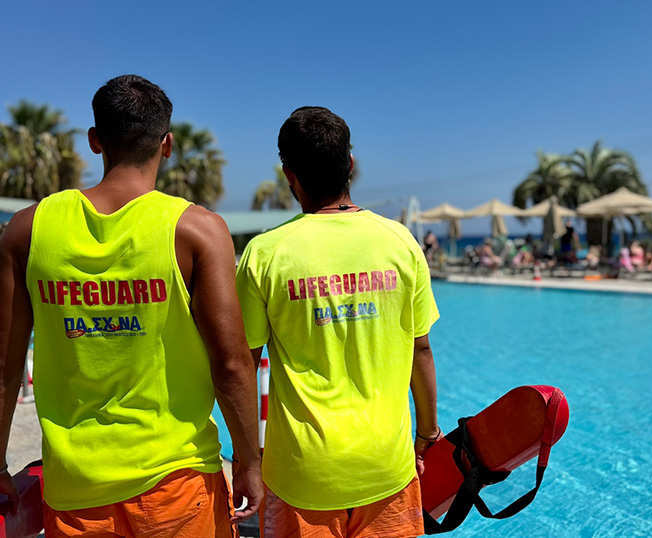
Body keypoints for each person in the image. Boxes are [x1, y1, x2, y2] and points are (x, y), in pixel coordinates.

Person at [0, 75, 263, 537]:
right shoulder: (196, 230)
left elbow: (5, 366)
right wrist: (249, 462)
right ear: (167, 144)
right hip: (177, 483)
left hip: (76, 490)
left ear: (95, 140)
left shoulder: (26, 230)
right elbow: (232, 364)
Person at [236, 107, 440, 538]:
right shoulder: (401, 242)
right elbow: (420, 348)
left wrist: (246, 460)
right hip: (387, 465)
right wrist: (427, 432)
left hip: (302, 474)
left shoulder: (265, 254)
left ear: (289, 175)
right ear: (349, 163)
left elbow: (241, 368)